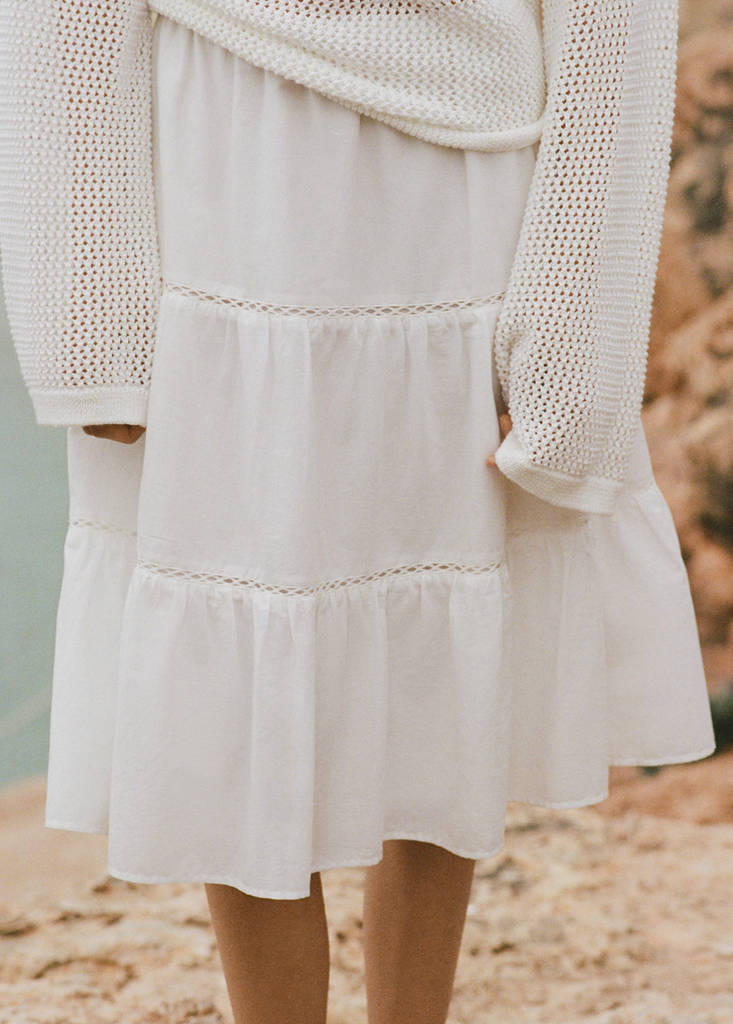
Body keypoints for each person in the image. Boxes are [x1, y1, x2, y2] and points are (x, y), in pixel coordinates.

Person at [0, 4, 716, 1023]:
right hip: (215, 154)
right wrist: (83, 303)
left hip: (462, 174)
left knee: (439, 650)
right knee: (239, 658)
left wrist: (573, 327)